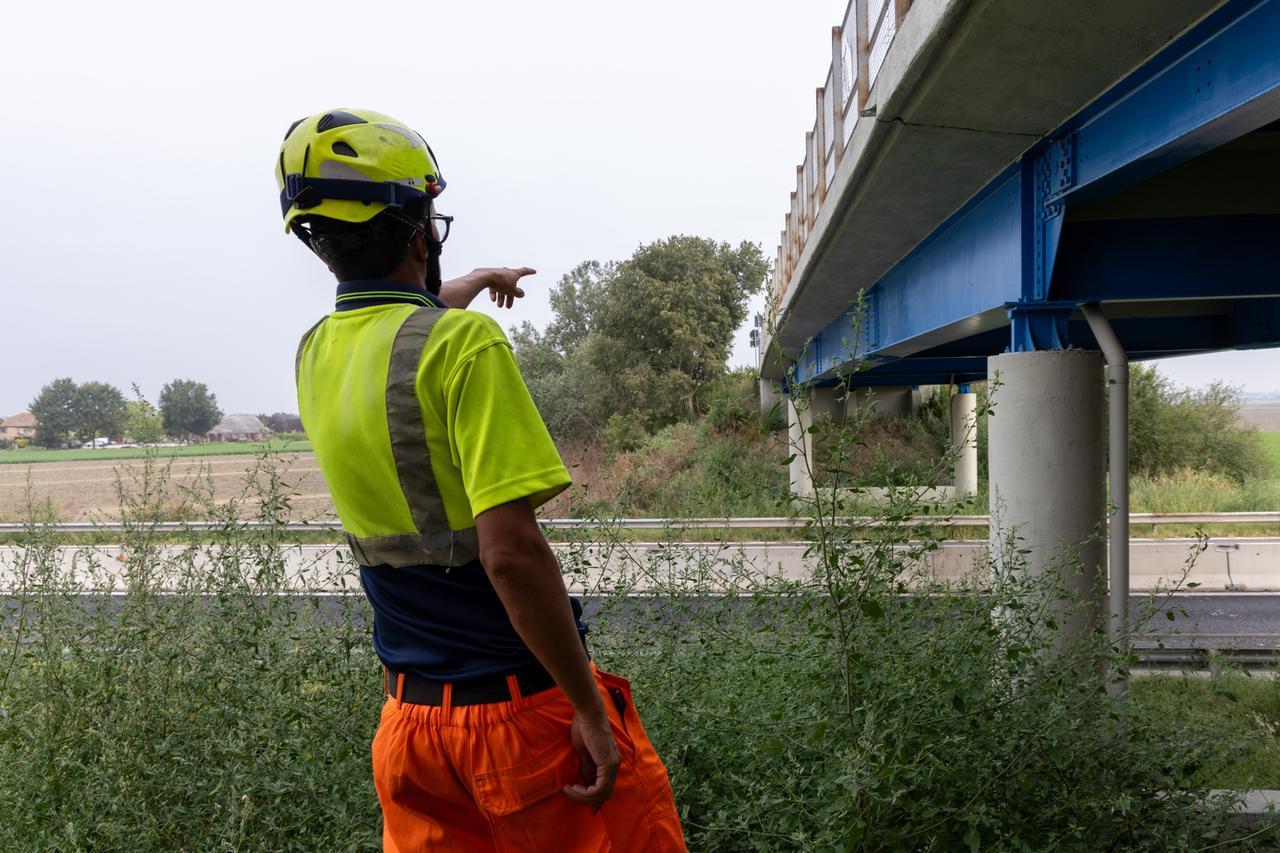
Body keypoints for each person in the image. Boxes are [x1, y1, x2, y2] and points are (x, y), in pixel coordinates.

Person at [277, 108, 686, 851]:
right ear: (418, 235)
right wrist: (588, 708)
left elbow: (402, 338)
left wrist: (469, 280)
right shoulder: (465, 346)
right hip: (518, 718)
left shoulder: (315, 353)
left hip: (410, 730)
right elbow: (511, 554)